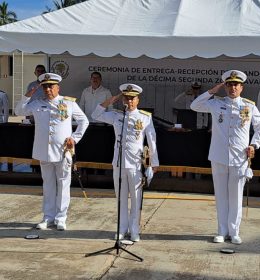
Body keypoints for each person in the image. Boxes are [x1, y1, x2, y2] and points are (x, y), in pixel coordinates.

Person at [190, 70, 260, 244]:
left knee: (236, 196)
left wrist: (254, 145)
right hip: (219, 156)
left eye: (236, 85)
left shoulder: (249, 106)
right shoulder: (216, 104)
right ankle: (221, 231)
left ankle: (234, 231)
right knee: (221, 196)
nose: (232, 88)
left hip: (239, 157)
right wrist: (212, 91)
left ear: (241, 87)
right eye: (229, 84)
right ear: (225, 86)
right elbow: (194, 106)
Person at [15, 73, 89, 231]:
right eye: (45, 86)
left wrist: (74, 138)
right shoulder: (37, 104)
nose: (48, 89)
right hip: (44, 151)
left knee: (63, 184)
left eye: (51, 86)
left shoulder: (68, 103)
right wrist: (28, 95)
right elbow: (18, 111)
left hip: (62, 151)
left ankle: (61, 218)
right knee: (48, 185)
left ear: (57, 87)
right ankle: (48, 217)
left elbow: (84, 120)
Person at [91, 83, 159, 242]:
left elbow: (152, 140)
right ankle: (121, 229)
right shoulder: (116, 115)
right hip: (119, 162)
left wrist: (153, 163)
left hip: (136, 164)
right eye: (126, 98)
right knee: (121, 198)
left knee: (136, 199)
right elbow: (95, 114)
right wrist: (112, 99)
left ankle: (134, 230)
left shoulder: (145, 117)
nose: (129, 102)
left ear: (138, 100)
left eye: (132, 99)